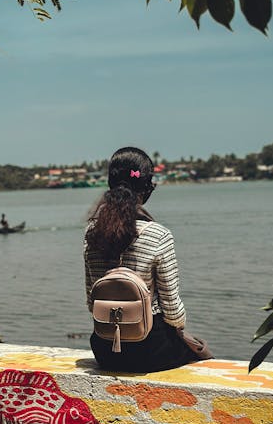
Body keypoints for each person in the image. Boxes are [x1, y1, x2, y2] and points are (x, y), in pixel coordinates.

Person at [84, 146, 213, 372]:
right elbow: (173, 312)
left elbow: (91, 303)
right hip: (151, 351)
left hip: (105, 349)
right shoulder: (158, 235)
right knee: (200, 351)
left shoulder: (92, 232)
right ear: (146, 188)